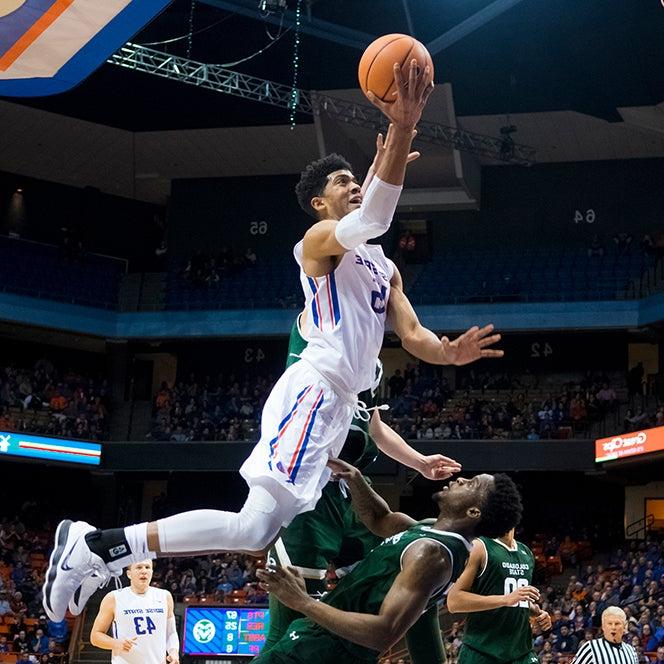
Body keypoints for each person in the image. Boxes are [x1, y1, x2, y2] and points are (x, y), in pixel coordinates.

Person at [43, 59, 502, 623]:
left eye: (360, 181)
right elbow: (374, 220)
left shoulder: (385, 269)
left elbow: (412, 335)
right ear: (319, 204)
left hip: (336, 405)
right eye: (343, 183)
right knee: (254, 526)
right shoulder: (317, 244)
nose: (355, 187)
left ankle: (99, 544)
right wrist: (403, 127)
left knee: (254, 527)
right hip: (315, 389)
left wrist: (448, 352)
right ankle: (98, 547)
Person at [264, 310, 462, 663]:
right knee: (292, 616)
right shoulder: (315, 331)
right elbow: (321, 272)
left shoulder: (370, 365)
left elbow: (373, 426)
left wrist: (419, 462)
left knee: (412, 586)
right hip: (309, 491)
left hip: (352, 488)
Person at [253, 457, 524, 664]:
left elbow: (384, 633)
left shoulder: (432, 554)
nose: (462, 479)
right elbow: (379, 518)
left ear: (474, 511)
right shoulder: (429, 529)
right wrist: (354, 478)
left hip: (329, 652)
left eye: (471, 484)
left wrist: (303, 601)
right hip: (319, 639)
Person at [447, 500, 551, 664]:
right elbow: (454, 601)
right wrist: (505, 599)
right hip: (482, 651)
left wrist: (536, 612)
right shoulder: (479, 547)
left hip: (521, 652)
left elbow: (517, 599)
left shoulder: (526, 553)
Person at [90, 559, 179, 664]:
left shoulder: (165, 596)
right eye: (139, 567)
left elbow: (171, 632)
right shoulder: (114, 598)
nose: (144, 571)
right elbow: (95, 636)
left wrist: (173, 652)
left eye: (147, 567)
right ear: (129, 574)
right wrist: (117, 643)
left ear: (152, 572)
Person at [572, 606, 639, 663]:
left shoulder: (631, 650)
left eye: (617, 623)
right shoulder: (590, 647)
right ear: (603, 626)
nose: (613, 627)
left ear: (624, 626)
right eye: (609, 623)